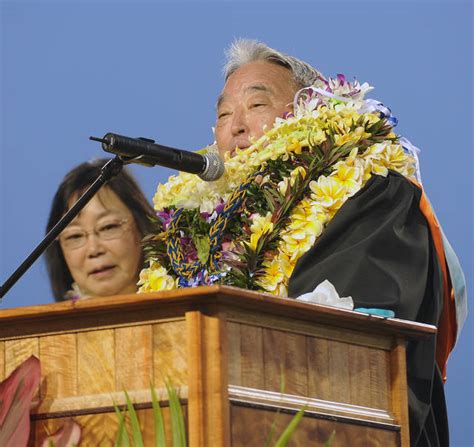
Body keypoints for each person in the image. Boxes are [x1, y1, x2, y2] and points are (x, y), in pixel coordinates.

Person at [213, 39, 466, 447]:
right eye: (224, 113)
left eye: (256, 106)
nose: (235, 126)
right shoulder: (210, 231)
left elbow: (347, 330)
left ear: (314, 111)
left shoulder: (374, 194)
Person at [45, 158, 156, 301]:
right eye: (75, 236)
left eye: (108, 227)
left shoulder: (189, 317)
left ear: (142, 227)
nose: (94, 250)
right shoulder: (55, 324)